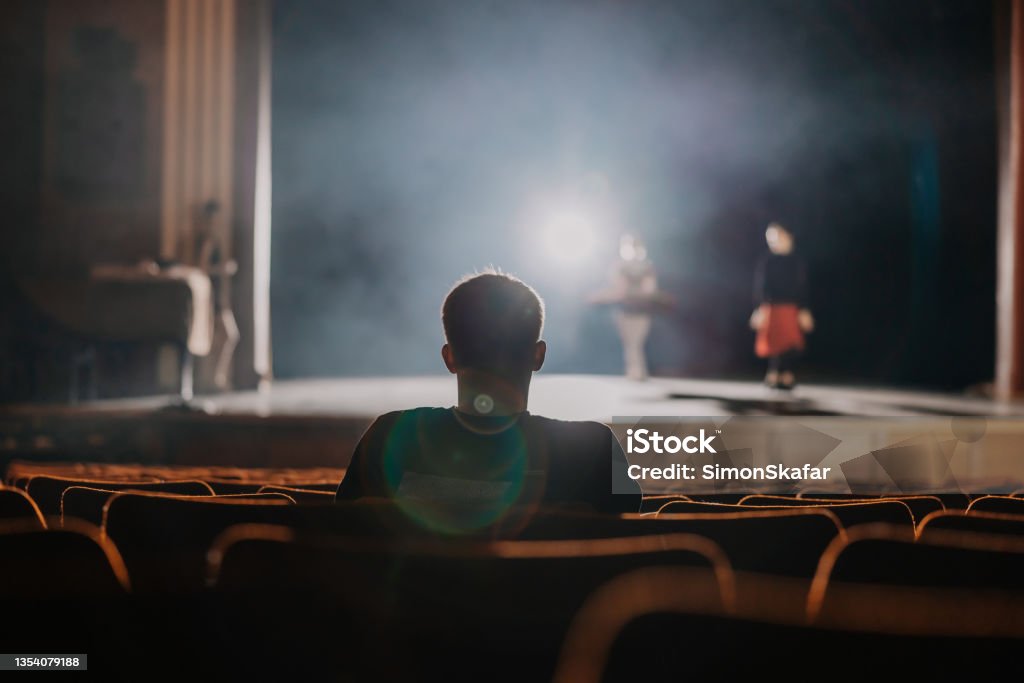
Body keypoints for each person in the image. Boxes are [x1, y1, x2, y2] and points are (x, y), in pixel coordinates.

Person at [335, 269, 641, 519]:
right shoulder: (594, 452)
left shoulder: (388, 440)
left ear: (449, 357)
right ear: (538, 356)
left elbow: (344, 527)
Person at [750, 222, 814, 390]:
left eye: (778, 237)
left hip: (791, 308)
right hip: (771, 307)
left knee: (791, 342)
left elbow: (802, 287)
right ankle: (773, 372)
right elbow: (761, 287)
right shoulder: (767, 262)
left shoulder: (797, 261)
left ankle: (787, 372)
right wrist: (759, 309)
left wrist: (803, 309)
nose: (774, 242)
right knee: (774, 342)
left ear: (788, 236)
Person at [591, 235, 662, 380]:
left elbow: (650, 289)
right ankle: (635, 371)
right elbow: (618, 288)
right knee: (630, 342)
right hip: (625, 311)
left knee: (636, 342)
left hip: (641, 311)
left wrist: (641, 295)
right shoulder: (620, 267)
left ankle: (637, 371)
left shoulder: (647, 267)